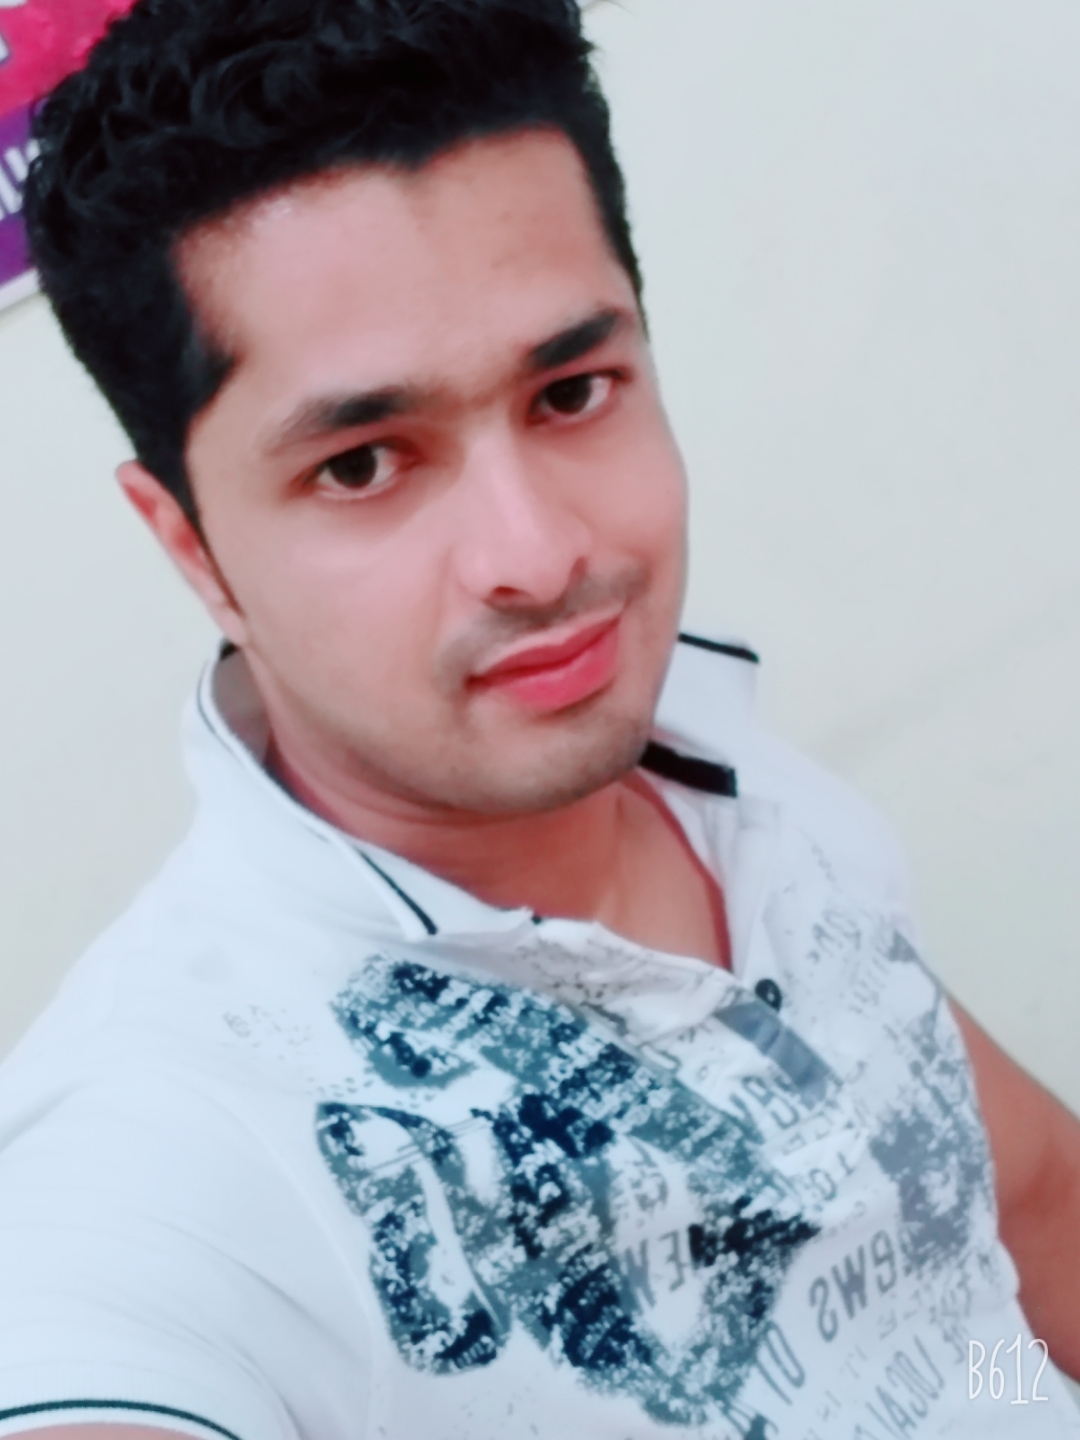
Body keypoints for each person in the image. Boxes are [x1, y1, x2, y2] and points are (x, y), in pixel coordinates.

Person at [2, 0, 1078, 1436]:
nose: (542, 554)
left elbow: (1008, 1237)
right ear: (192, 547)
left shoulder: (729, 777)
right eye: (363, 463)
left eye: (571, 391)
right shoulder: (177, 1148)